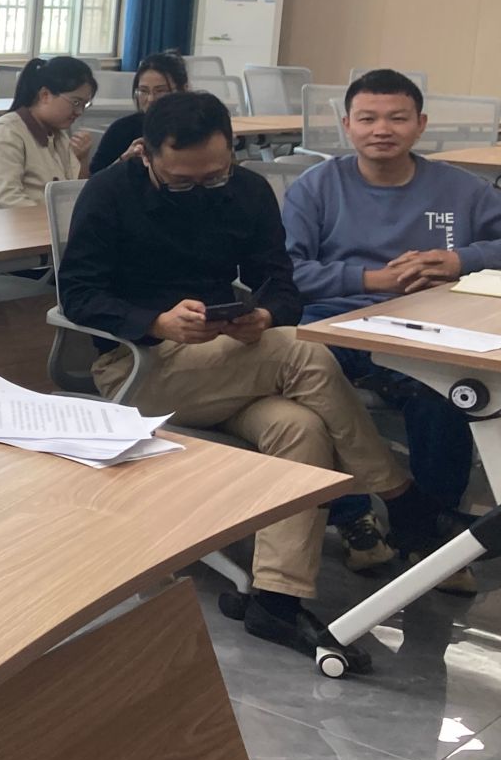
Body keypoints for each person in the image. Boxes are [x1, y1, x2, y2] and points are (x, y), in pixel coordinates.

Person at [58, 90, 453, 671]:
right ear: (148, 155)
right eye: (182, 181)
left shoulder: (245, 190)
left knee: (300, 429)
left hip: (230, 363)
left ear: (230, 153)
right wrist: (156, 321)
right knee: (303, 352)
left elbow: (281, 282)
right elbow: (77, 296)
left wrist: (264, 315)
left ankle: (276, 599)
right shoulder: (110, 192)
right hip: (139, 367)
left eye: (214, 176)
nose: (202, 189)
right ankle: (401, 496)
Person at [285, 69, 501, 585]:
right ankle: (352, 516)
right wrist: (371, 279)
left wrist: (461, 259)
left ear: (420, 124)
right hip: (335, 326)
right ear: (347, 125)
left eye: (397, 118)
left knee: (448, 395)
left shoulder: (461, 189)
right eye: (367, 119)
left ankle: (433, 538)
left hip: (428, 330)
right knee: (311, 388)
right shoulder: (316, 187)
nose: (382, 129)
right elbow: (287, 272)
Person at [0, 55, 97, 209]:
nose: (79, 112)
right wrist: (55, 219)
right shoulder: (4, 135)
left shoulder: (58, 135)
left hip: (51, 222)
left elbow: (75, 194)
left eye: (84, 104)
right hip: (19, 223)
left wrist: (82, 159)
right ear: (45, 95)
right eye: (76, 102)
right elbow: (5, 201)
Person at [91, 52, 188, 171]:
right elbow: (95, 178)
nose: (151, 99)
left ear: (184, 90)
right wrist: (125, 159)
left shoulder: (197, 127)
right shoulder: (122, 129)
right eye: (143, 91)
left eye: (161, 91)